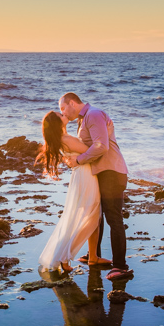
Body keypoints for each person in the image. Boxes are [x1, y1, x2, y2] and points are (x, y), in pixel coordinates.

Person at [59, 92, 131, 281]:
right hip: (101, 171)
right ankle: (94, 256)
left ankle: (120, 267)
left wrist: (79, 160)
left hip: (112, 172)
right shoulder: (83, 120)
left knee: (113, 218)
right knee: (96, 215)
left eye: (63, 108)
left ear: (72, 103)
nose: (63, 113)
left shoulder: (93, 114)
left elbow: (101, 147)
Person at [35, 111, 111, 273]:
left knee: (93, 217)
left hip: (82, 176)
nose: (64, 114)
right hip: (86, 177)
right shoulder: (67, 139)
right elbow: (92, 151)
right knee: (90, 217)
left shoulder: (63, 139)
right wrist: (107, 133)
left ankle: (92, 257)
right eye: (60, 115)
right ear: (58, 123)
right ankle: (65, 256)